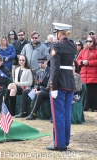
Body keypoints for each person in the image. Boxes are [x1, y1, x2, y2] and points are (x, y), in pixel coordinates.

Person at [46, 23, 76, 151]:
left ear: (59, 33)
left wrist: (53, 86)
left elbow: (55, 69)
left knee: (58, 114)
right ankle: (65, 140)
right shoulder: (72, 45)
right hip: (69, 81)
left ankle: (59, 143)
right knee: (66, 114)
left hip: (59, 83)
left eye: (55, 33)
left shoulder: (56, 45)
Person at [77, 35, 97, 112]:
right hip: (84, 75)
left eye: (90, 41)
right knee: (85, 92)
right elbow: (77, 60)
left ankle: (93, 107)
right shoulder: (83, 51)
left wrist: (89, 63)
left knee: (92, 93)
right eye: (87, 41)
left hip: (93, 75)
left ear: (94, 42)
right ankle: (85, 107)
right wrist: (82, 62)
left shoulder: (96, 51)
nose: (88, 43)